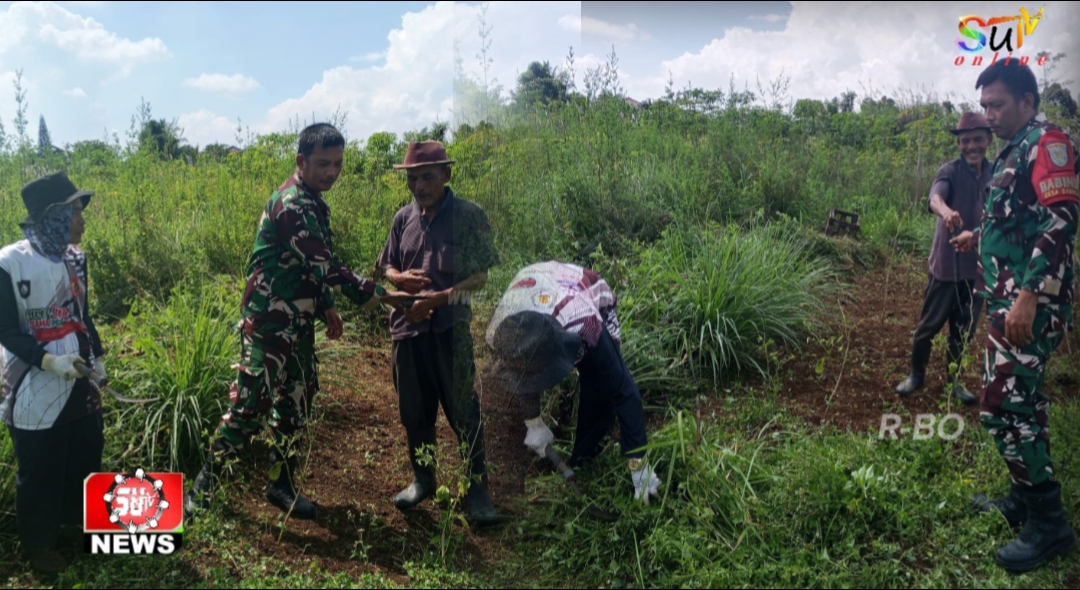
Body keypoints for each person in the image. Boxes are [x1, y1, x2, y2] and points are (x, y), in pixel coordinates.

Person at [185, 123, 395, 521]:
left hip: (298, 320)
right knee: (249, 405)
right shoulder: (292, 204)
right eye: (322, 164)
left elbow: (312, 266)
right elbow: (325, 263)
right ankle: (203, 488)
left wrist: (327, 304)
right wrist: (381, 297)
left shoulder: (314, 200)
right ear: (301, 161)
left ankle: (280, 483)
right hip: (269, 319)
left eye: (337, 164)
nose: (331, 172)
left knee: (297, 400)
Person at [952, 60, 1079, 573]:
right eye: (983, 106)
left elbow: (1060, 220)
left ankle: (1049, 524)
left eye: (997, 105)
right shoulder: (1012, 149)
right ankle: (1023, 499)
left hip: (1030, 305)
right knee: (1012, 403)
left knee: (1004, 405)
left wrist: (1029, 293)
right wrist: (976, 237)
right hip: (1006, 300)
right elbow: (1015, 224)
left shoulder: (1048, 142)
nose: (988, 115)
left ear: (1028, 100)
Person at [375, 140, 502, 525]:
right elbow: (387, 268)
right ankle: (423, 479)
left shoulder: (469, 216)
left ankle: (478, 490)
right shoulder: (403, 219)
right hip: (407, 332)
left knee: (464, 411)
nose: (418, 186)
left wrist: (437, 300)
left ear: (446, 175)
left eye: (427, 177)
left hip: (449, 330)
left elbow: (479, 279)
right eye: (412, 178)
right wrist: (399, 277)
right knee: (415, 412)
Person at [483, 261, 661, 505]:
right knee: (530, 363)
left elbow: (625, 391)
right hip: (535, 287)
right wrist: (533, 421)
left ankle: (589, 453)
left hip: (589, 294)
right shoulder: (509, 329)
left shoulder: (585, 325)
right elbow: (521, 372)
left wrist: (638, 461)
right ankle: (583, 458)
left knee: (601, 383)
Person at [0, 171, 106, 574]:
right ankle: (40, 547)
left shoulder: (76, 258)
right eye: (76, 211)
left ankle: (79, 527)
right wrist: (48, 360)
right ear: (54, 216)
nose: (82, 220)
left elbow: (82, 315)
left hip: (78, 377)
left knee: (84, 450)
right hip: (31, 383)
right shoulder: (10, 263)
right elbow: (6, 329)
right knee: (41, 464)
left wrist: (97, 358)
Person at [894, 112, 993, 404]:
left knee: (963, 330)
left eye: (977, 139)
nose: (971, 145)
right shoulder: (948, 171)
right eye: (965, 141)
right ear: (959, 144)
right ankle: (916, 375)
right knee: (928, 326)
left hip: (977, 269)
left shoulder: (996, 172)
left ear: (988, 139)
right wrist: (945, 211)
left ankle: (954, 381)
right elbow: (935, 197)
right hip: (946, 267)